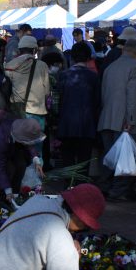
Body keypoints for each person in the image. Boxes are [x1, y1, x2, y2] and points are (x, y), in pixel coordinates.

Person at [97, 38, 136, 201]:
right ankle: (118, 192)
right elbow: (133, 95)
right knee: (126, 158)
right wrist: (131, 119)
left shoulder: (110, 67)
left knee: (109, 157)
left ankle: (104, 187)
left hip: (107, 117)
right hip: (125, 120)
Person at [0, 112, 46, 200]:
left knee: (21, 165)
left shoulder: (21, 127)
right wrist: (8, 190)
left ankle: (15, 195)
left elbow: (29, 141)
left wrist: (36, 160)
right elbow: (0, 168)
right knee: (8, 170)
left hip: (10, 142)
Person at [56, 42, 100, 176]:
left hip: (66, 123)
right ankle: (81, 192)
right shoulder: (94, 77)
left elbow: (57, 101)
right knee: (83, 162)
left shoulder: (63, 75)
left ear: (72, 57)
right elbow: (97, 102)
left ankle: (67, 191)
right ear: (88, 58)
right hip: (87, 125)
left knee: (67, 161)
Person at [4, 35, 50, 141]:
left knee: (19, 147)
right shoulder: (42, 66)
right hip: (37, 112)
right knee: (36, 150)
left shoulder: (9, 66)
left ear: (20, 49)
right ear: (34, 50)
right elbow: (47, 92)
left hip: (18, 112)